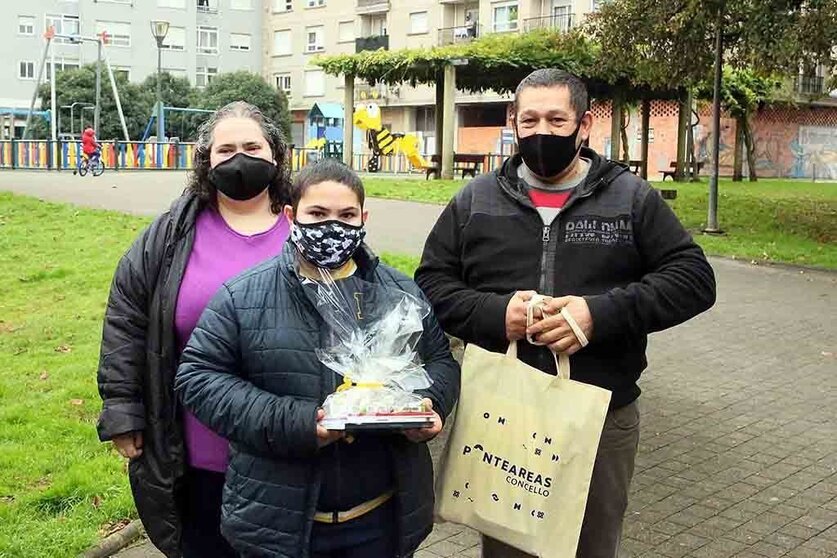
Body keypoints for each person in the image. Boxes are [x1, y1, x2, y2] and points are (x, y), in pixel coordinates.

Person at [415, 69, 716, 558]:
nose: (541, 133)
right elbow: (431, 283)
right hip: (503, 413)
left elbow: (694, 279)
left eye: (557, 119)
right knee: (507, 546)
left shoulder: (630, 198)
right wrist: (496, 315)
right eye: (529, 119)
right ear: (512, 121)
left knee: (591, 546)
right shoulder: (476, 200)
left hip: (599, 417)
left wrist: (599, 315)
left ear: (584, 124)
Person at [174, 159, 461, 558]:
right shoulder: (243, 296)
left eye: (346, 215)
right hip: (278, 526)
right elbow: (198, 378)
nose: (333, 227)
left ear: (364, 217)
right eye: (318, 214)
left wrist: (429, 408)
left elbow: (442, 363)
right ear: (292, 216)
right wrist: (298, 421)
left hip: (381, 521)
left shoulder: (400, 293)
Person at [95, 101, 292, 558]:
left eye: (251, 146)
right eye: (225, 149)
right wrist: (123, 409)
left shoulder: (304, 223)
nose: (239, 158)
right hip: (198, 455)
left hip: (291, 449)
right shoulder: (171, 234)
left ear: (276, 155)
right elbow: (127, 319)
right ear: (206, 161)